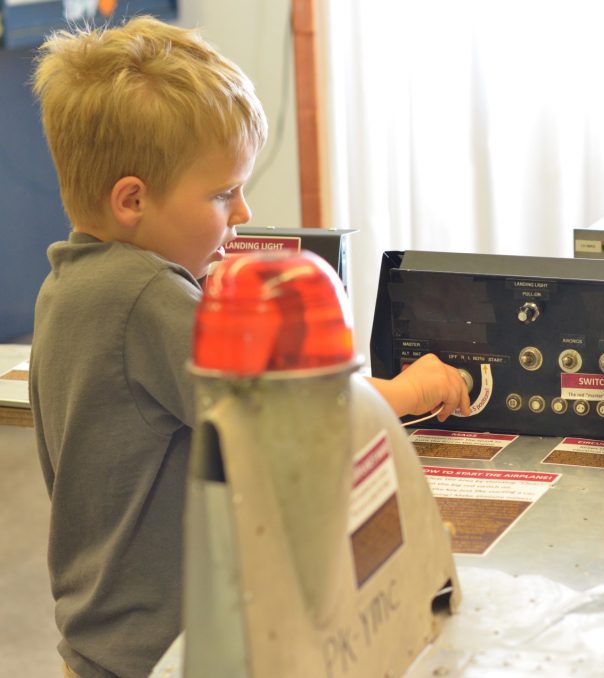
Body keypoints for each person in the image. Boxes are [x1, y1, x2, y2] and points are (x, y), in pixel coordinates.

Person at [28, 17, 468, 678]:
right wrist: (410, 391)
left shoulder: (70, 283)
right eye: (222, 192)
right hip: (167, 651)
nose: (242, 212)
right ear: (131, 201)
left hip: (101, 644)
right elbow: (302, 413)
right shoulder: (147, 295)